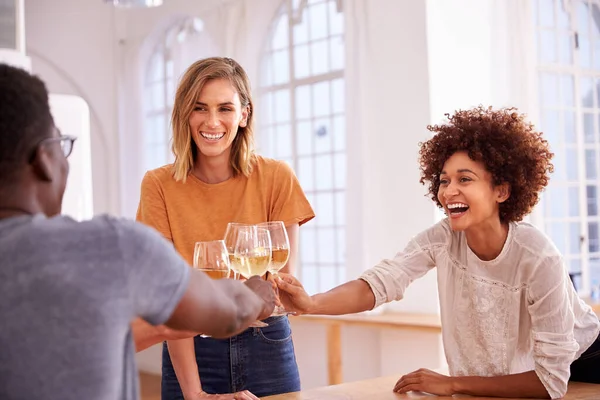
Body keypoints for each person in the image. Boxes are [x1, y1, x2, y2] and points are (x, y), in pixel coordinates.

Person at [276, 106, 600, 400]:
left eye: (465, 179)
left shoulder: (538, 256)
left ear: (502, 190)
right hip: (533, 374)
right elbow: (384, 281)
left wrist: (453, 383)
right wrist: (312, 303)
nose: (448, 191)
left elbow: (549, 382)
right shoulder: (443, 238)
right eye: (444, 180)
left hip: (588, 363)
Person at [0, 63, 277, 400]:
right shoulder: (110, 246)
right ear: (44, 159)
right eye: (63, 144)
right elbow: (223, 310)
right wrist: (256, 295)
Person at [136, 57, 314, 400]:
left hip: (267, 344)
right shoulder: (158, 185)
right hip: (191, 348)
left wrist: (287, 296)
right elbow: (167, 298)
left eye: (225, 108)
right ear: (184, 114)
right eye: (199, 108)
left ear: (244, 114)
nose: (212, 121)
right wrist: (195, 393)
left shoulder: (276, 177)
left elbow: (279, 282)